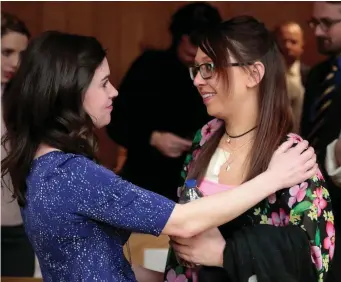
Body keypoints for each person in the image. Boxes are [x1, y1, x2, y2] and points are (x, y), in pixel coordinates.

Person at [1, 30, 318, 282]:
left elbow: (100, 265)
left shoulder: (42, 167)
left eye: (210, 67)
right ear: (70, 92)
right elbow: (183, 221)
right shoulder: (73, 174)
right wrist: (273, 178)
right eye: (104, 83)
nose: (115, 92)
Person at [164, 16, 334, 282]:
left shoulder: (291, 157)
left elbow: (316, 258)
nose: (198, 80)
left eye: (209, 67)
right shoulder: (204, 138)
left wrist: (228, 254)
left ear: (253, 74)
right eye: (195, 69)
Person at [106, 2, 222, 201]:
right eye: (187, 38)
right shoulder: (149, 66)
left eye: (200, 42)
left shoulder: (217, 74)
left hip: (202, 184)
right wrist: (153, 138)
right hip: (147, 182)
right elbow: (116, 122)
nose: (190, 46)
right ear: (178, 36)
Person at [301, 2, 341, 281]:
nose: (318, 31)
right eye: (314, 23)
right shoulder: (316, 74)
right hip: (315, 196)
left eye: (327, 23)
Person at [1, 11, 35, 277]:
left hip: (16, 226)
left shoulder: (23, 99)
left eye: (21, 55)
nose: (14, 62)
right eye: (6, 52)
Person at [274, 21, 310, 133]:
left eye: (293, 42)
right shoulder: (264, 74)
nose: (287, 46)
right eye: (283, 41)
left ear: (302, 45)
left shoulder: (311, 75)